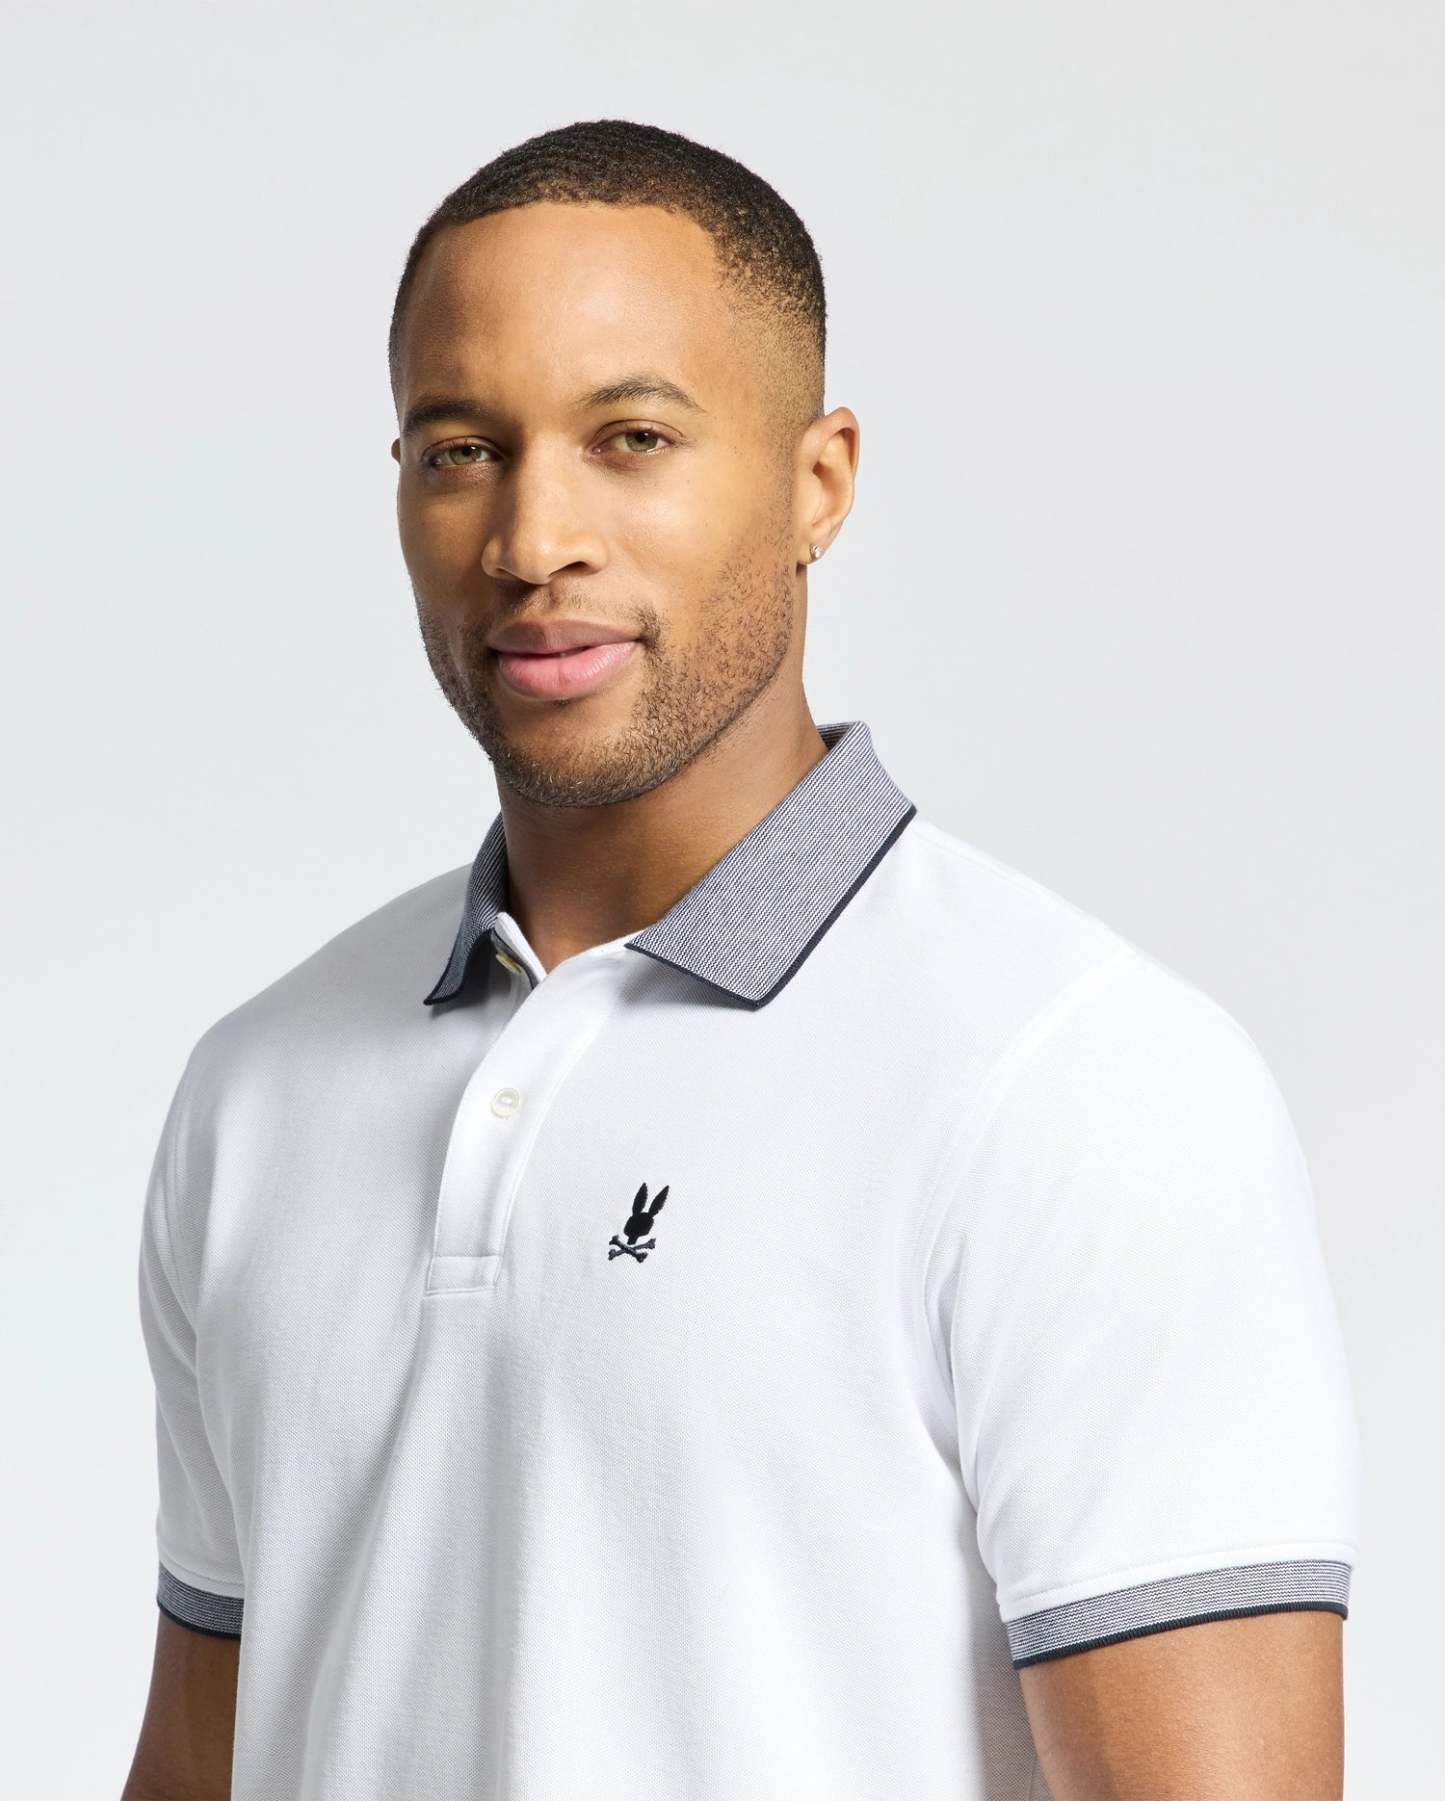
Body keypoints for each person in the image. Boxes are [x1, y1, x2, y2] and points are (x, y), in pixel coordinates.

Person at [124, 118, 1360, 1801]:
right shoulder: (259, 1086)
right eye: (461, 449)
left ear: (815, 483)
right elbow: (202, 1757)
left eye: (630, 438)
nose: (531, 539)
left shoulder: (1076, 1079)